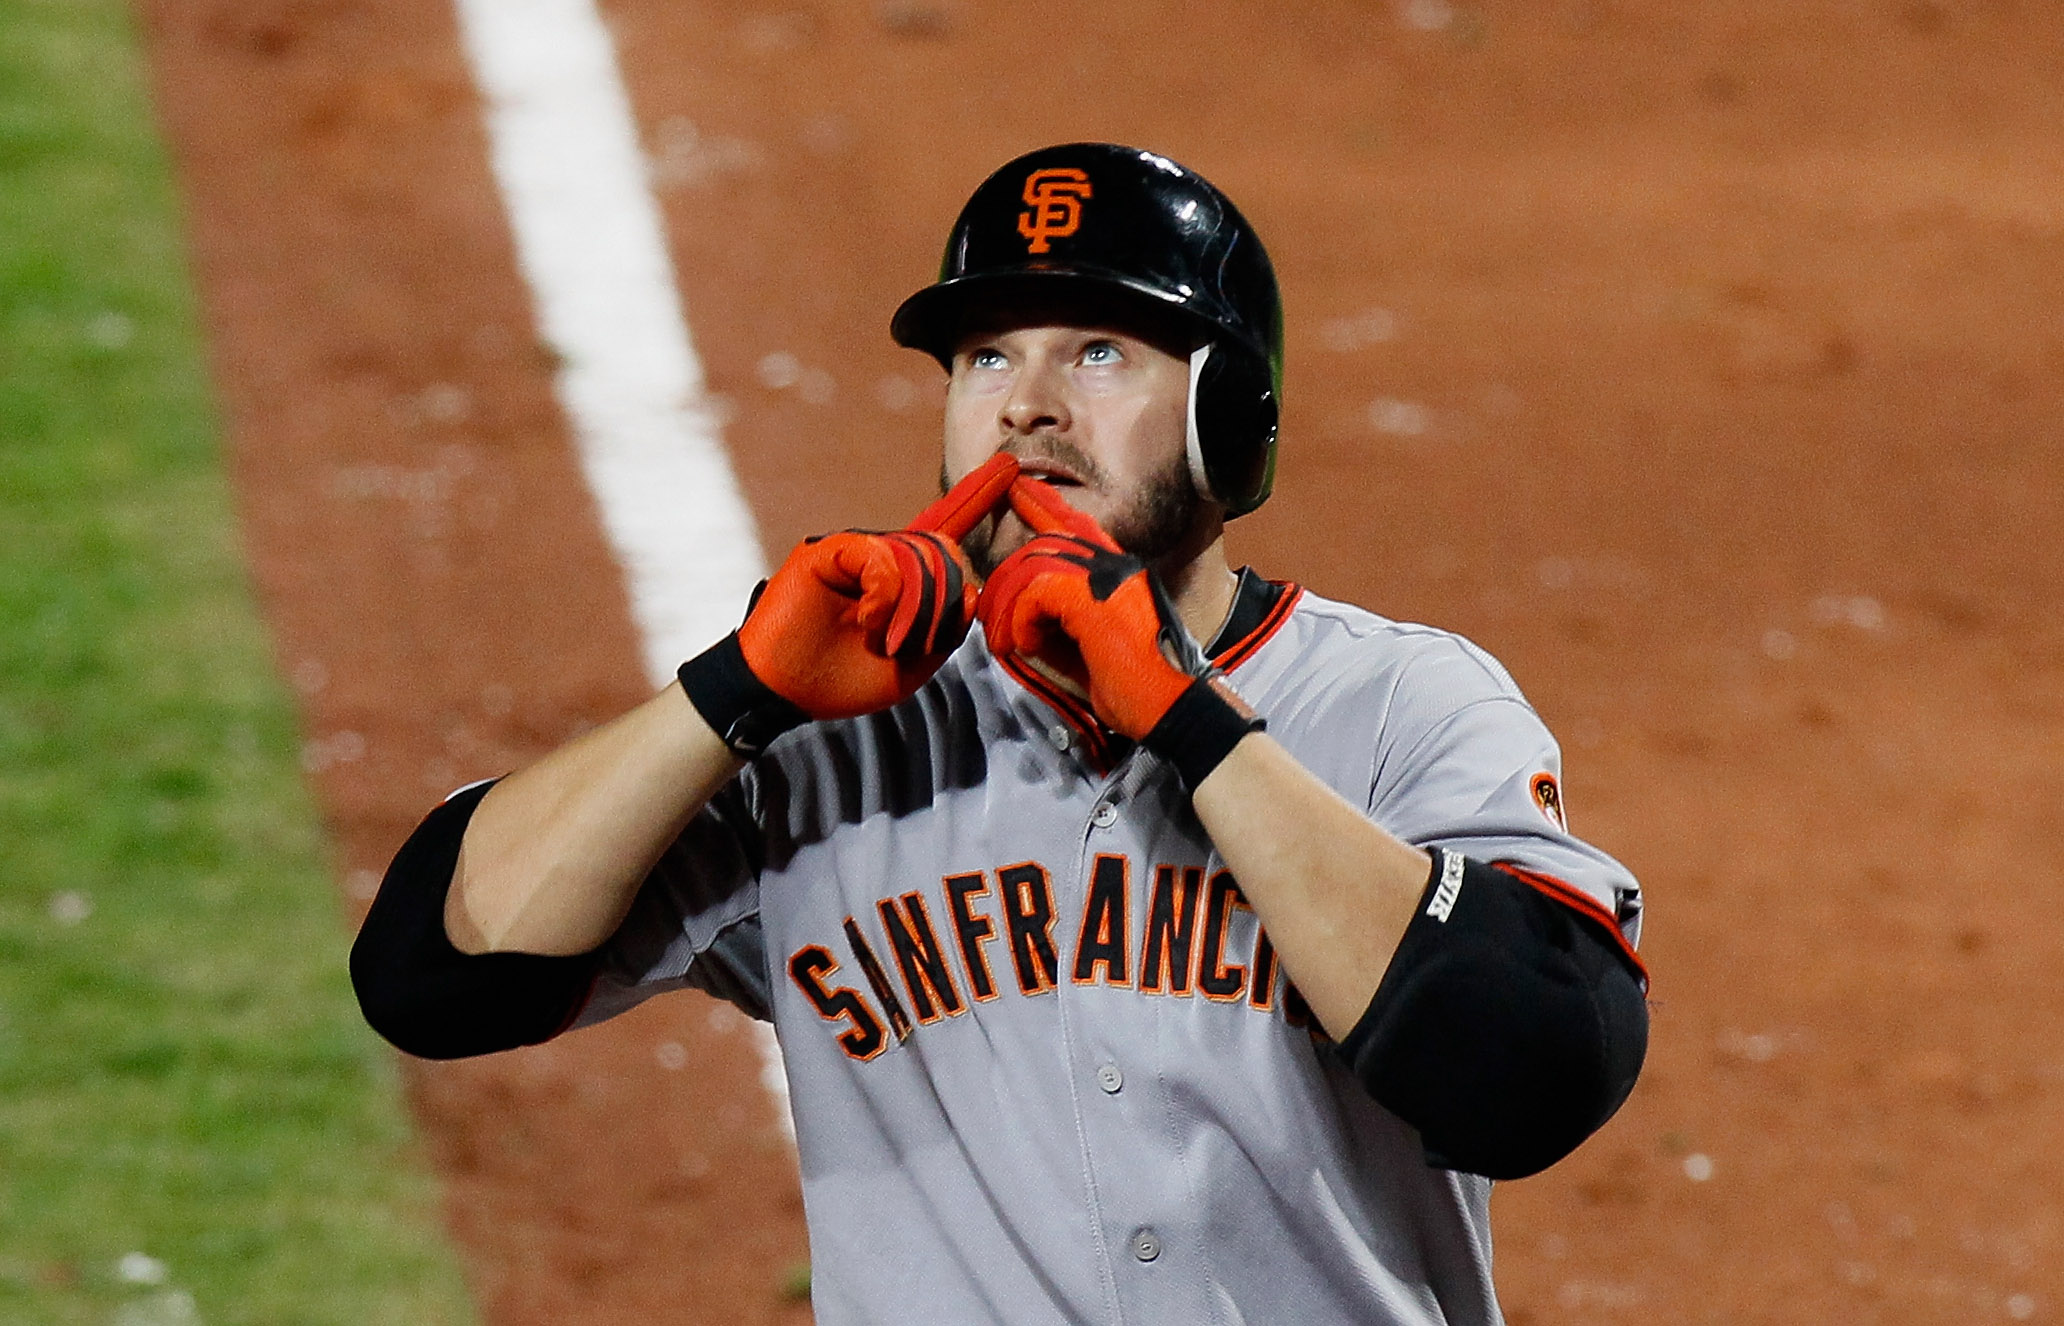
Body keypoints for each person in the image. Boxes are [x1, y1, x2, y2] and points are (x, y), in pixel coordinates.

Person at [352, 142, 1648, 1325]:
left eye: (1096, 353)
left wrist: (1189, 723)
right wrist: (736, 691)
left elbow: (1533, 1070)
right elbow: (433, 971)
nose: (1026, 408)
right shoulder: (831, 738)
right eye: (986, 358)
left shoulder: (1398, 703)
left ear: (1231, 419)